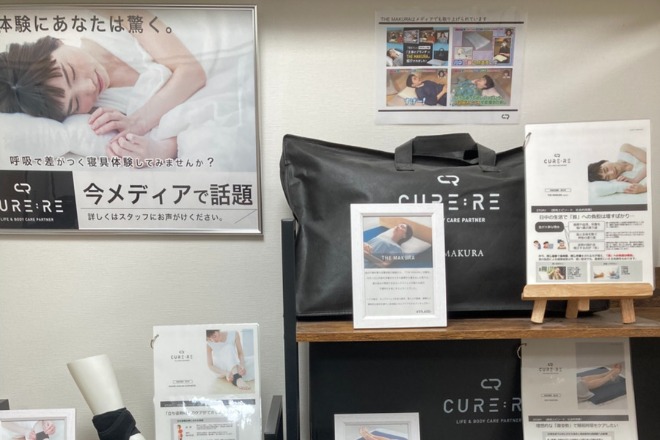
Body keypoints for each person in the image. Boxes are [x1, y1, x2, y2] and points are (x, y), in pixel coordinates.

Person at [0, 9, 206, 162]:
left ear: (57, 42)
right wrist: (156, 151)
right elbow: (175, 135)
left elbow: (192, 72)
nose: (89, 88)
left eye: (71, 73)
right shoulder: (104, 115)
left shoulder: (112, 17)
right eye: (75, 102)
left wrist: (139, 121)